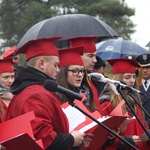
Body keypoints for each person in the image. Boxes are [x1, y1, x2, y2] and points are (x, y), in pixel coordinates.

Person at [5, 37, 87, 150]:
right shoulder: (35, 94)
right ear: (42, 63)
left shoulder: (32, 90)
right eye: (56, 65)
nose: (58, 70)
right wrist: (72, 140)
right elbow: (43, 138)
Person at [99, 58, 150, 150]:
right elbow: (104, 138)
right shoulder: (107, 104)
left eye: (134, 77)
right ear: (118, 79)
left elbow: (142, 127)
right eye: (127, 77)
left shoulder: (134, 100)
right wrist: (127, 141)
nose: (132, 81)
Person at [66, 36, 102, 113]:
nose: (95, 60)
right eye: (90, 56)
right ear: (78, 55)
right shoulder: (65, 87)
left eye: (95, 56)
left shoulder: (90, 82)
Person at [136, 53, 150, 126]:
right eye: (142, 67)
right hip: (139, 124)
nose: (144, 70)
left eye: (148, 67)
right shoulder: (133, 85)